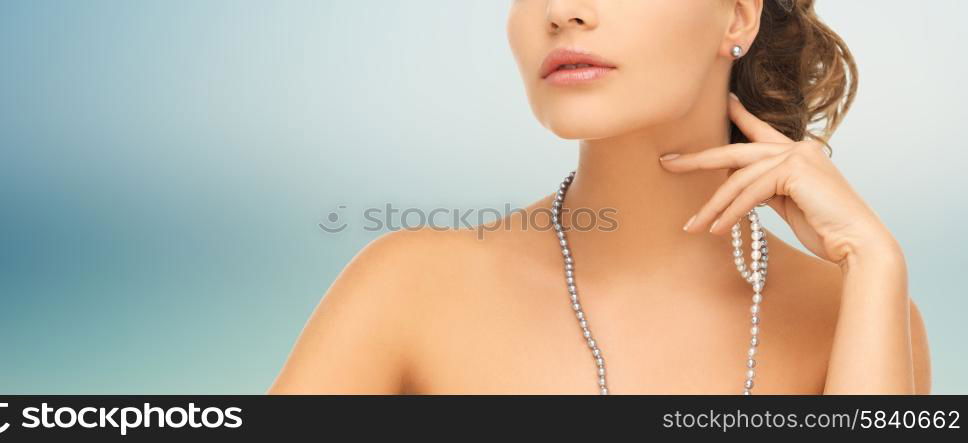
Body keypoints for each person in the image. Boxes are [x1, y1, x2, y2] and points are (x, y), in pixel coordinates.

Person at [268, 0, 930, 394]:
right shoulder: (410, 285)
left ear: (737, 13)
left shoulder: (860, 312)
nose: (562, 10)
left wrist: (871, 259)